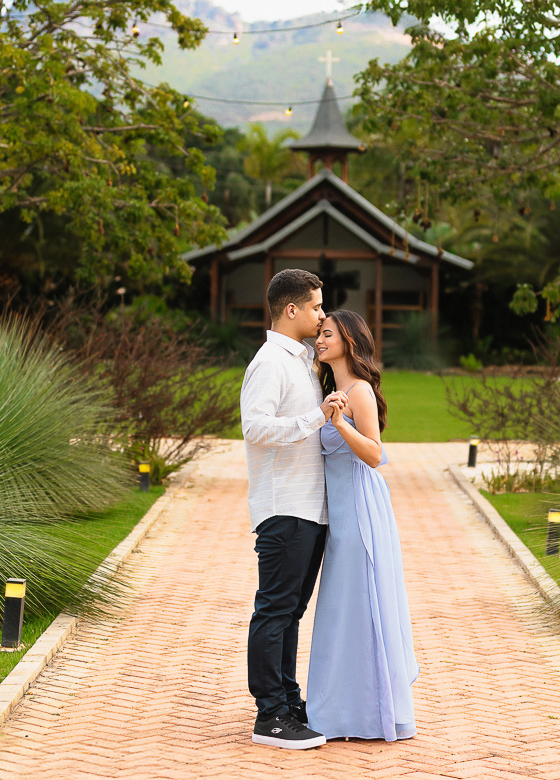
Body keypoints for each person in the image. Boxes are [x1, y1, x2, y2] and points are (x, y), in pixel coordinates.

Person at [240, 268, 347, 750]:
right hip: (284, 507)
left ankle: (287, 701)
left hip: (309, 509)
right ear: (291, 309)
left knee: (290, 612)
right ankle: (270, 716)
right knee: (275, 610)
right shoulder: (270, 362)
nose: (322, 315)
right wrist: (315, 416)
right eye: (316, 306)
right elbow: (255, 428)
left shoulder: (302, 361)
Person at [307, 309, 419, 741]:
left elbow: (374, 454)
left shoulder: (360, 391)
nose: (320, 340)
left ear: (349, 341)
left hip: (359, 508)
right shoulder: (330, 391)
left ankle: (370, 714)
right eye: (319, 334)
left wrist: (338, 423)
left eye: (327, 334)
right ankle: (337, 711)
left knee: (359, 605)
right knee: (341, 609)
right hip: (338, 514)